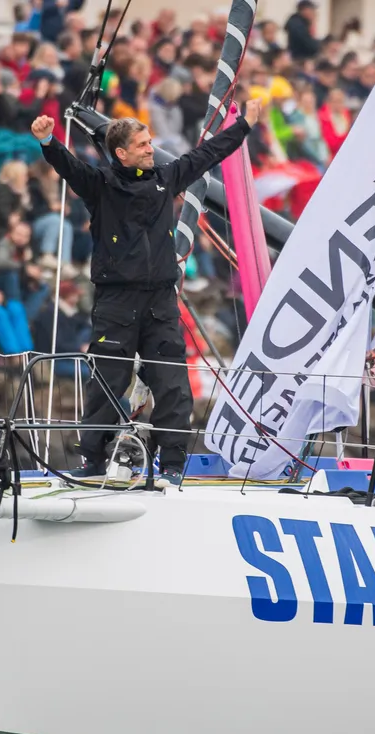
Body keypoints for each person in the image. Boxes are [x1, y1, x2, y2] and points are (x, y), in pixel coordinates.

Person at [30, 96, 264, 482]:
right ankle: (92, 461)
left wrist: (244, 126)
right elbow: (70, 167)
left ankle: (171, 464)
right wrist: (48, 141)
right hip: (117, 302)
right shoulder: (100, 185)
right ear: (121, 153)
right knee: (107, 382)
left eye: (150, 142)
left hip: (160, 302)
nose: (150, 149)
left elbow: (207, 154)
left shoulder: (165, 177)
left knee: (173, 386)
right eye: (142, 145)